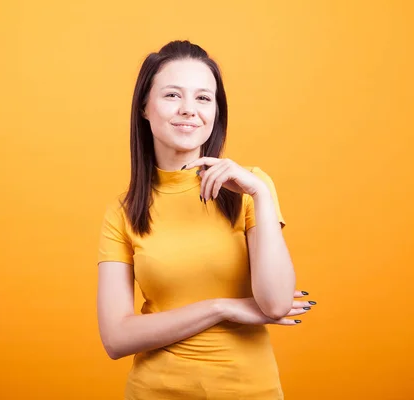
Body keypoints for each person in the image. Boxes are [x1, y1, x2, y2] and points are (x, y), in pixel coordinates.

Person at [96, 40, 315, 400]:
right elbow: (116, 339)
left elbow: (275, 304)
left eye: (203, 98)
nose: (188, 110)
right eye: (171, 96)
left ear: (216, 112)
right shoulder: (123, 211)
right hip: (154, 390)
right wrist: (221, 307)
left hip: (250, 390)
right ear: (144, 108)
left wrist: (259, 194)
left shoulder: (251, 188)